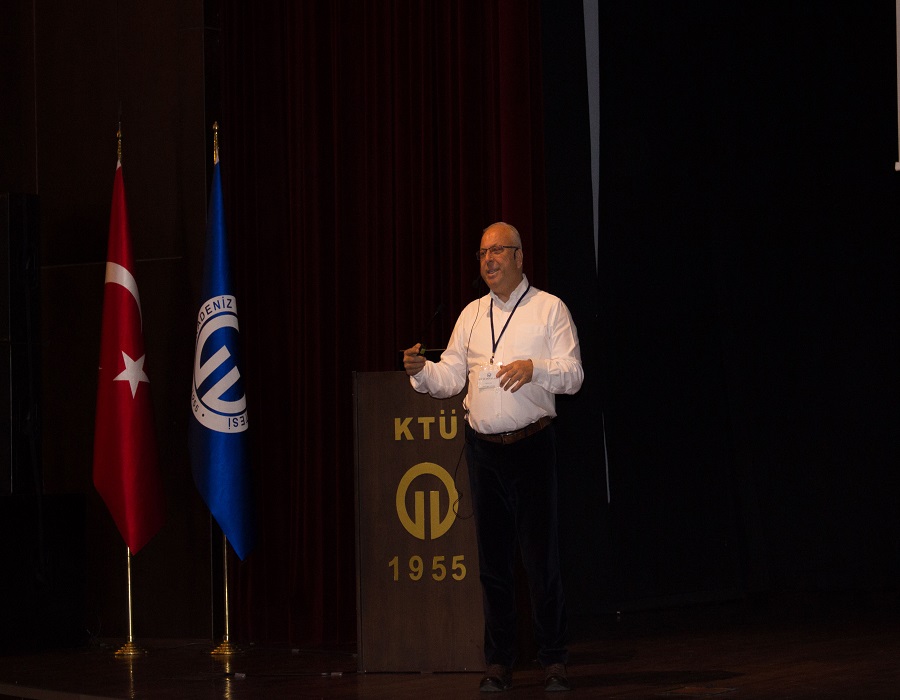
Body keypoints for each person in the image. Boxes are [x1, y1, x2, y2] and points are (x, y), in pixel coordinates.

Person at [403, 221, 584, 692]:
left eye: (498, 250)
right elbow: (450, 377)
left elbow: (574, 374)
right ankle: (498, 662)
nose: (488, 260)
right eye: (483, 252)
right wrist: (421, 371)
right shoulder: (470, 315)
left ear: (520, 257)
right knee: (493, 565)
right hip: (484, 454)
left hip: (532, 447)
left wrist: (534, 368)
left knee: (541, 562)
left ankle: (553, 660)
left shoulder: (549, 309)